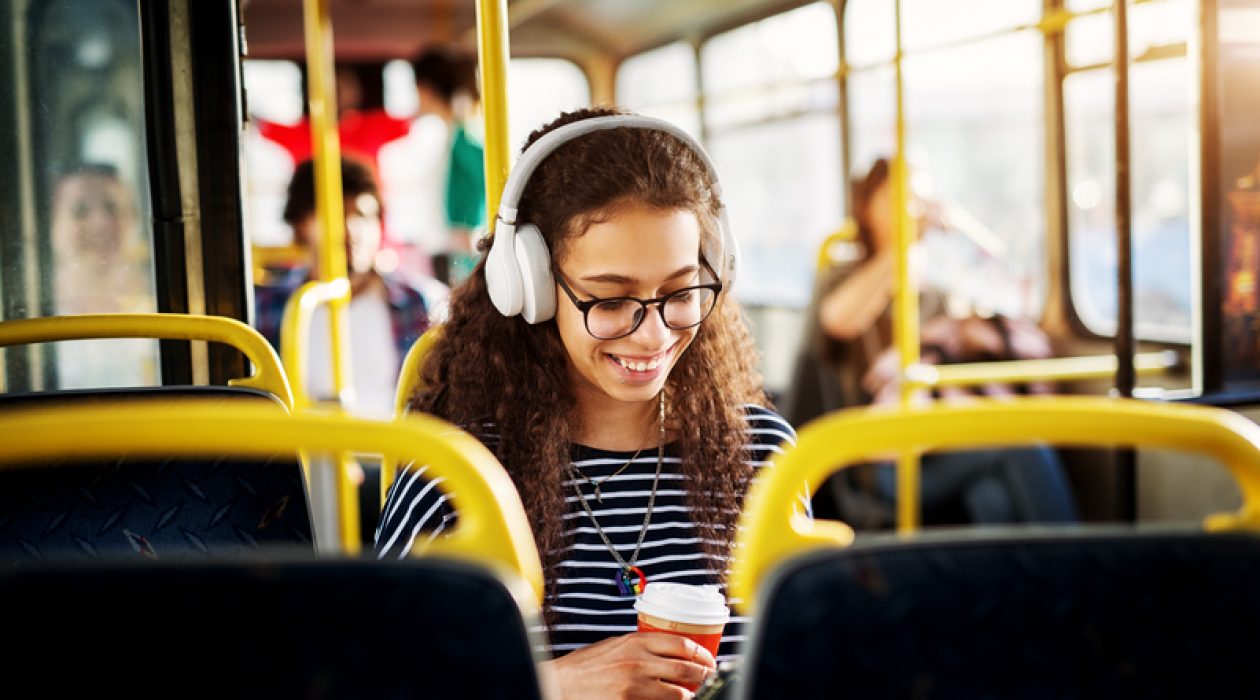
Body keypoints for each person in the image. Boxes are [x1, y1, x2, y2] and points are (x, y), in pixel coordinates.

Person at [374, 107, 806, 697]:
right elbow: (379, 678)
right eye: (608, 300)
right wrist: (548, 686)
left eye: (681, 292)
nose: (653, 335)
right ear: (530, 287)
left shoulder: (766, 455)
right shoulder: (455, 474)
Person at [791, 156, 1078, 527]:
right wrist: (905, 248)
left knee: (990, 495)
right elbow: (839, 321)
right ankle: (1082, 573)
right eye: (899, 196)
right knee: (1025, 445)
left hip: (939, 437)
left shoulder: (935, 291)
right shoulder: (842, 274)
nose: (912, 208)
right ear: (868, 207)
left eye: (919, 198)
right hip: (878, 457)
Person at [253, 155, 448, 419]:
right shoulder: (266, 309)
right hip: (302, 455)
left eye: (363, 215)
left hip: (394, 454)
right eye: (335, 214)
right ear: (301, 225)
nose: (351, 229)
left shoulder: (424, 304)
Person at [50, 163, 159, 389]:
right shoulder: (29, 312)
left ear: (133, 220)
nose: (99, 223)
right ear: (53, 225)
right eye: (80, 210)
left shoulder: (164, 304)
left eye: (111, 208)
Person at [409, 45, 485, 286]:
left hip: (466, 263)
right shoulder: (453, 138)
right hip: (454, 259)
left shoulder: (464, 142)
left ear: (424, 89)